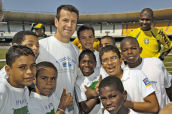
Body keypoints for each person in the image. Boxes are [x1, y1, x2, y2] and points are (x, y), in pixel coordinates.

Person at [36, 5, 79, 114]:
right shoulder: (41, 46)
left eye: (73, 21)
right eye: (65, 20)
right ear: (56, 21)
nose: (69, 25)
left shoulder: (75, 50)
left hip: (70, 109)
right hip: (46, 109)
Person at [99, 45, 159, 113]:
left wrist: (126, 104)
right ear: (102, 65)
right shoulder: (104, 84)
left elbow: (154, 107)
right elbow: (105, 110)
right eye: (105, 60)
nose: (109, 63)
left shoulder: (137, 75)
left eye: (113, 58)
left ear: (121, 60)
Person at [120, 37, 172, 109]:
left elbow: (168, 87)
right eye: (125, 50)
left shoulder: (156, 63)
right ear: (121, 54)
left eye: (134, 48)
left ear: (140, 50)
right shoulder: (123, 75)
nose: (129, 52)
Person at [0, 45, 36, 114]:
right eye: (22, 67)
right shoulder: (2, 92)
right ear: (8, 70)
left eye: (33, 66)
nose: (30, 71)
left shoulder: (24, 89)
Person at [75, 49, 100, 114]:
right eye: (83, 61)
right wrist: (97, 96)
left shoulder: (100, 77)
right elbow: (85, 109)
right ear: (78, 64)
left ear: (95, 63)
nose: (87, 65)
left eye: (90, 62)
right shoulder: (78, 83)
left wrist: (93, 96)